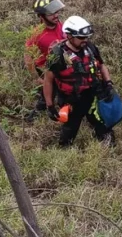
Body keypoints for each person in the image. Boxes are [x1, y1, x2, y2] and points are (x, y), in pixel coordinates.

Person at [43, 16, 115, 146]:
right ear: (70, 36)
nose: (85, 40)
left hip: (93, 94)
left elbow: (101, 66)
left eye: (86, 37)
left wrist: (108, 84)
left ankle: (107, 142)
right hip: (72, 99)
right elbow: (48, 80)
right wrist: (50, 105)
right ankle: (65, 149)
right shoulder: (57, 55)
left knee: (102, 122)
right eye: (81, 37)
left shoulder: (90, 48)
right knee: (70, 129)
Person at [24, 0, 66, 121]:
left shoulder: (61, 26)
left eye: (57, 12)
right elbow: (28, 57)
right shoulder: (36, 34)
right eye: (51, 14)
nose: (56, 15)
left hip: (62, 66)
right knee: (47, 96)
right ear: (41, 16)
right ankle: (34, 117)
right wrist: (36, 77)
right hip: (46, 70)